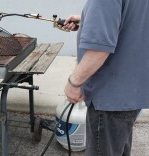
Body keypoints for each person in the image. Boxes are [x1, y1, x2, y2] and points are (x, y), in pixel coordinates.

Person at [59, 0, 149, 155]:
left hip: (109, 96)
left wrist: (74, 82)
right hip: (131, 90)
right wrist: (89, 21)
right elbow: (134, 20)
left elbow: (98, 49)